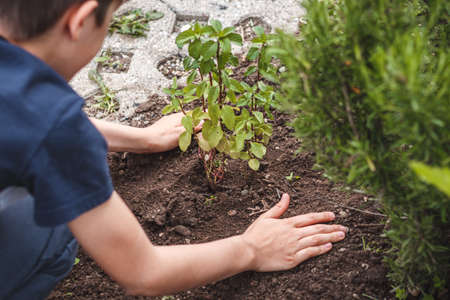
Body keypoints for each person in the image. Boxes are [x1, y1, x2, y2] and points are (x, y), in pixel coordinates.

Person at [0, 0, 348, 298]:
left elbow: (24, 124)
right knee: (55, 230)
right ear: (79, 21)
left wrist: (143, 140)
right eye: (110, 22)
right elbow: (142, 272)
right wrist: (251, 249)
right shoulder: (52, 126)